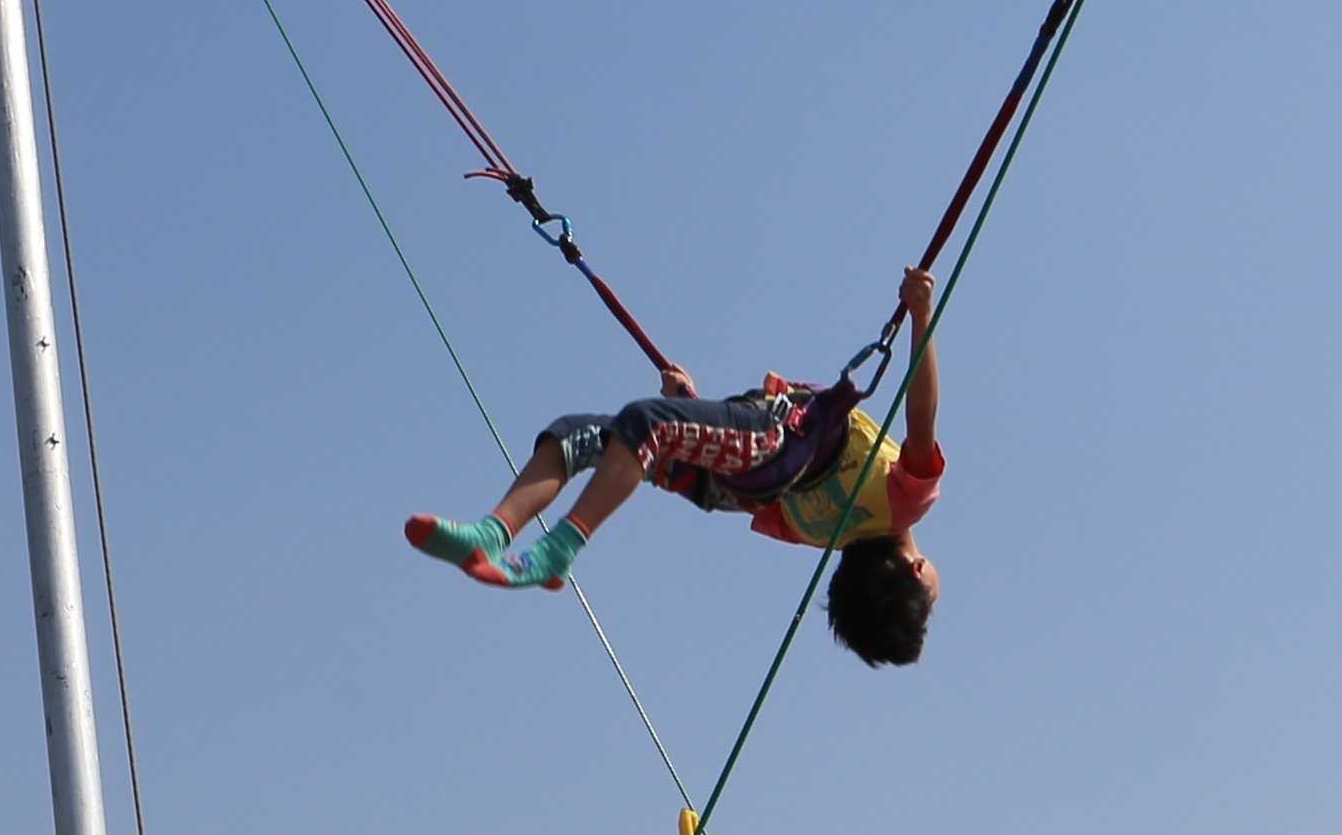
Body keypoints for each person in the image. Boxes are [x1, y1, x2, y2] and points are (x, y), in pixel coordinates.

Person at [403, 265, 947, 665]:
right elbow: (747, 482)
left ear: (919, 574)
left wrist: (922, 316)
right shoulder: (816, 534)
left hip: (779, 444)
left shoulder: (905, 503)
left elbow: (919, 414)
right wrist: (695, 420)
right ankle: (491, 534)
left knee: (642, 424)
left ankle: (556, 549)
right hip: (749, 471)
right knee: (589, 435)